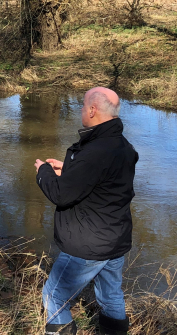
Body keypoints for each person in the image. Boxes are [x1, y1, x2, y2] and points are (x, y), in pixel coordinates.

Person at [34, 87, 138, 335]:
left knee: (54, 296)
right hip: (115, 240)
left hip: (88, 243)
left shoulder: (95, 151)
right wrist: (70, 171)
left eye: (82, 106)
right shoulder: (122, 146)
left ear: (92, 110)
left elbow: (61, 194)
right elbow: (102, 184)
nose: (81, 109)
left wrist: (43, 173)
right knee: (110, 297)